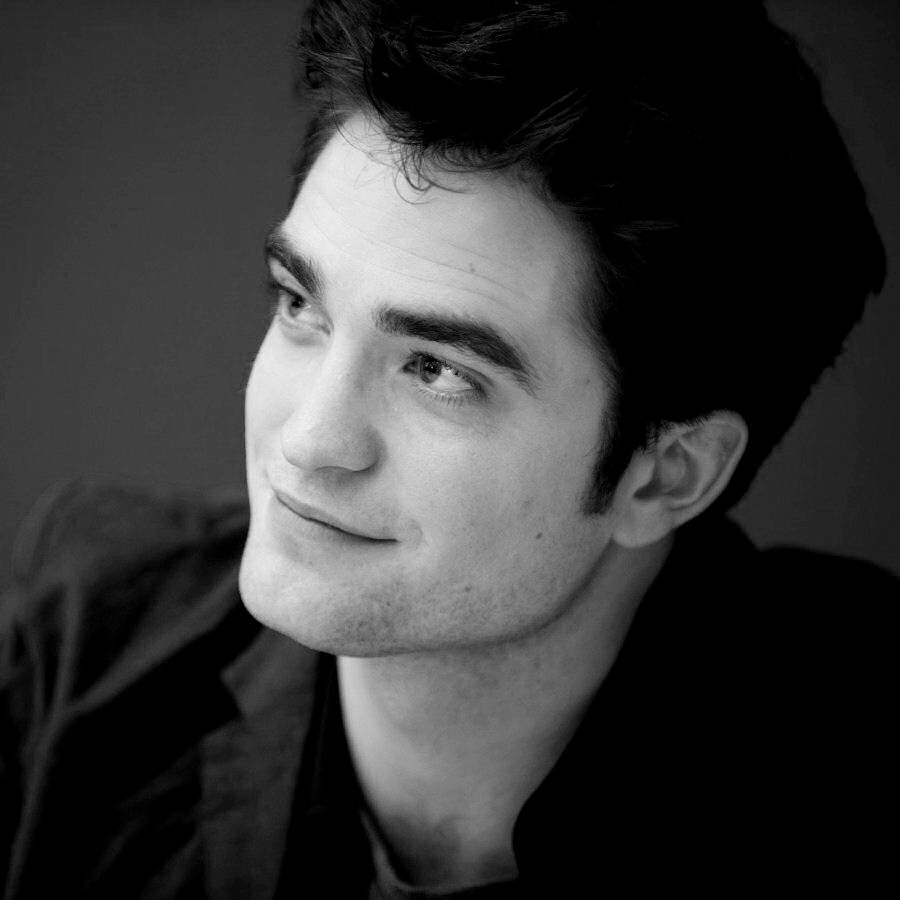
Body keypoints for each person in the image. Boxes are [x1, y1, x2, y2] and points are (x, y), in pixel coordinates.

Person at [1, 1, 896, 897]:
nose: (308, 443)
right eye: (300, 305)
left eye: (437, 371)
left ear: (666, 476)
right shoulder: (86, 642)